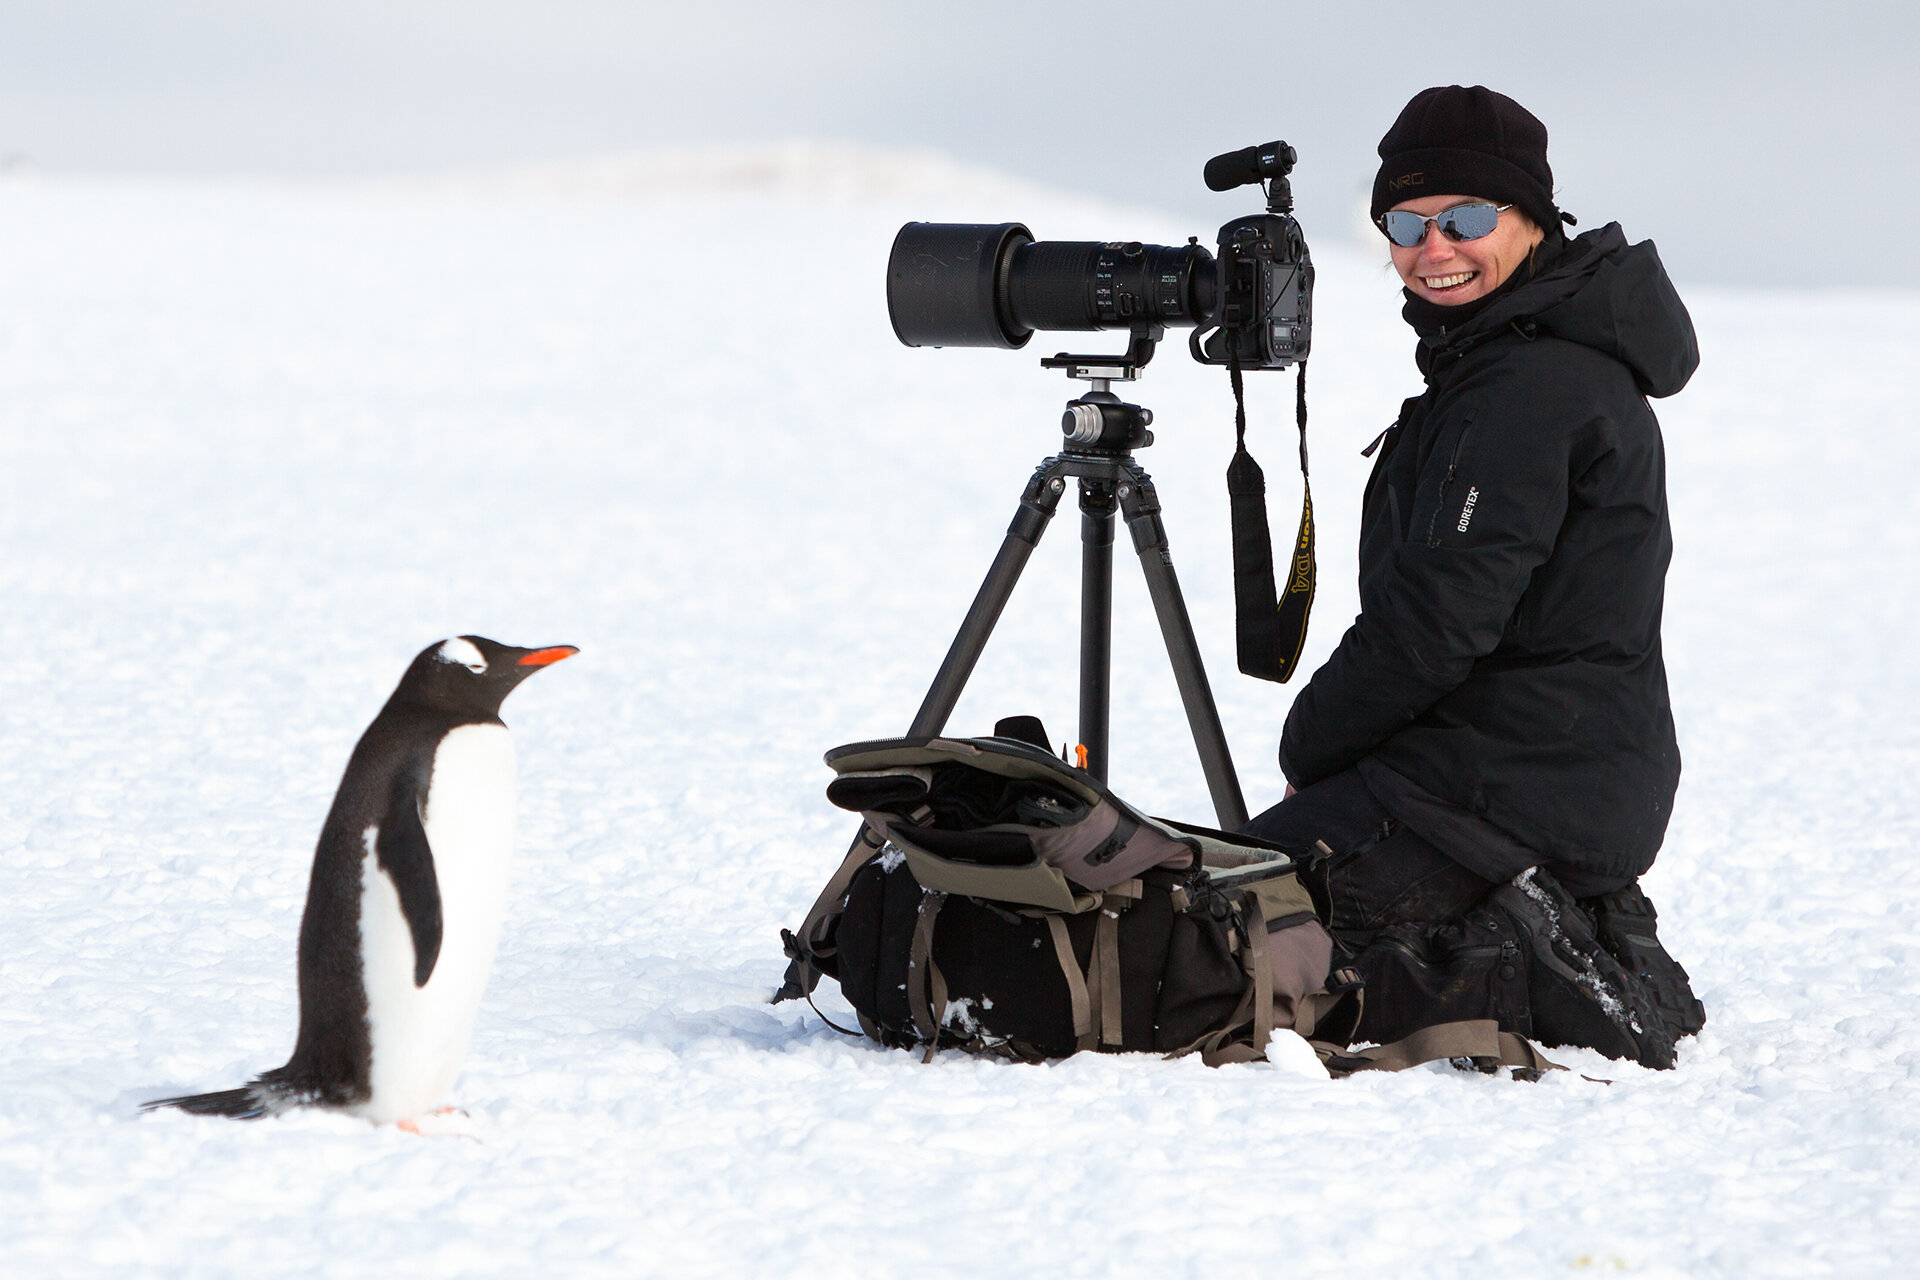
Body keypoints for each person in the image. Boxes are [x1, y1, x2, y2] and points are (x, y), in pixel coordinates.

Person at [1244, 85, 1706, 1067]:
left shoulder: (1533, 386)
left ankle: (1522, 957)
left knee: (1223, 926)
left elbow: (1435, 624)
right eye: (1405, 224)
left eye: (1464, 218)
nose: (1432, 247)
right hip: (1539, 767)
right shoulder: (1510, 361)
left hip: (1513, 781)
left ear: (1535, 219)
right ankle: (1545, 911)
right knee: (1248, 888)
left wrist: (1312, 741)